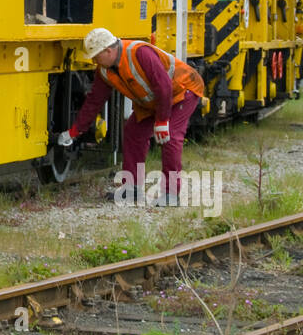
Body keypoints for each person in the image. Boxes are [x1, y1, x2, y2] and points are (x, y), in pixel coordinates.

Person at [57, 28, 205, 205]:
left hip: (183, 90)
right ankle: (131, 189)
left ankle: (171, 195)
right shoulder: (104, 70)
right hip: (155, 100)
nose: (95, 61)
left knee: (170, 137)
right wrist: (75, 131)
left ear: (108, 51)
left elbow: (164, 85)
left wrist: (162, 121)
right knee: (133, 133)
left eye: (96, 56)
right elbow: (94, 102)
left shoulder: (140, 53)